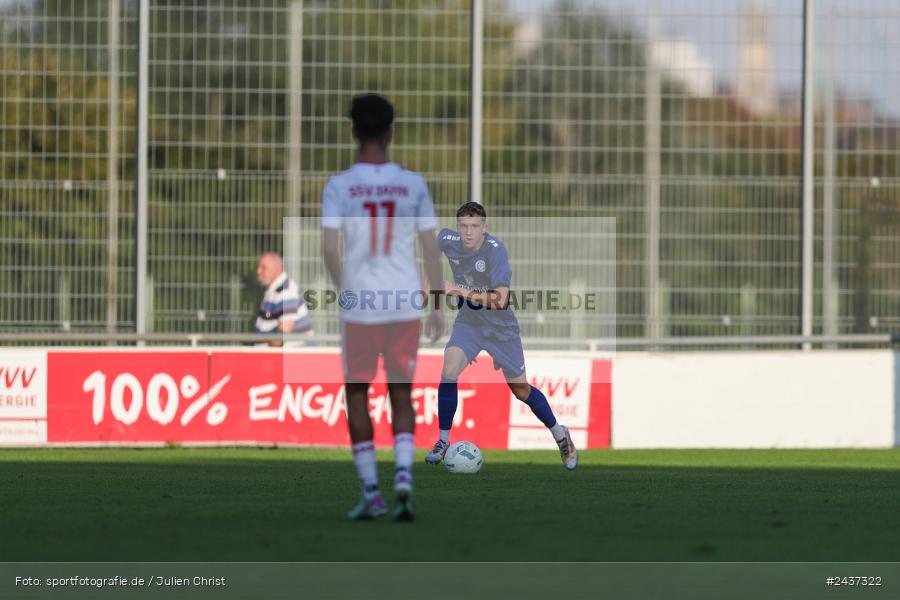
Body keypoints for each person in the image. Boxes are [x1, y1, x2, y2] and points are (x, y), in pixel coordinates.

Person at [321, 93, 444, 521]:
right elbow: (431, 249)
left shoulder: (339, 186)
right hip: (405, 301)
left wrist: (345, 288)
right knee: (401, 391)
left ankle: (372, 491)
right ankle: (405, 478)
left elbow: (329, 247)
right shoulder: (413, 184)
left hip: (362, 306)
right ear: (391, 133)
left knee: (357, 391)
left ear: (353, 131)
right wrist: (438, 305)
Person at [424, 201, 578, 470]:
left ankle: (559, 434)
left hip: (501, 330)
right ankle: (443, 441)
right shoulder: (447, 239)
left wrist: (454, 290)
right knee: (449, 367)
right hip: (469, 323)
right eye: (464, 226)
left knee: (520, 390)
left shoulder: (496, 252)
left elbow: (501, 300)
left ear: (485, 228)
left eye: (474, 227)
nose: (468, 232)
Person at [255, 252, 313, 346]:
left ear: (277, 269)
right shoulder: (275, 290)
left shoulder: (285, 291)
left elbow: (283, 333)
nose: (258, 271)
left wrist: (265, 354)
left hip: (291, 358)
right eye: (258, 267)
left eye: (263, 267)